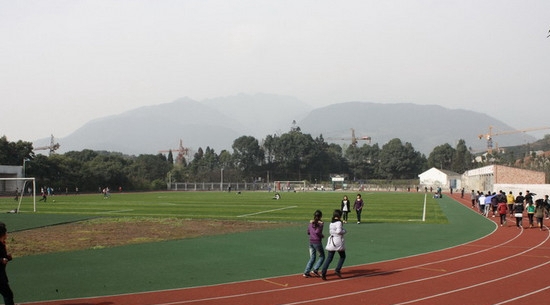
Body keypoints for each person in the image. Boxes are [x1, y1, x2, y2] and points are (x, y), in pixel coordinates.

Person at [321, 210, 347, 280]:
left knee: (329, 258)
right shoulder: (338, 222)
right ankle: (337, 269)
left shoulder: (331, 222)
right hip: (337, 241)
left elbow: (331, 231)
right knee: (343, 256)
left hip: (331, 241)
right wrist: (344, 231)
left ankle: (323, 272)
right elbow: (339, 231)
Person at [303, 210, 325, 277]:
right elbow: (317, 232)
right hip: (317, 242)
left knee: (312, 257)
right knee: (322, 256)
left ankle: (306, 272)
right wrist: (322, 235)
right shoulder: (320, 224)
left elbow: (308, 232)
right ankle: (315, 269)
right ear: (320, 216)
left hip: (311, 242)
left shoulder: (310, 224)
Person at [0, 222, 14, 305]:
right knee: (8, 294)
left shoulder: (2, 243)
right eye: (5, 232)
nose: (7, 234)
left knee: (7, 294)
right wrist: (1, 260)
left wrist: (7, 257)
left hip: (1, 274)